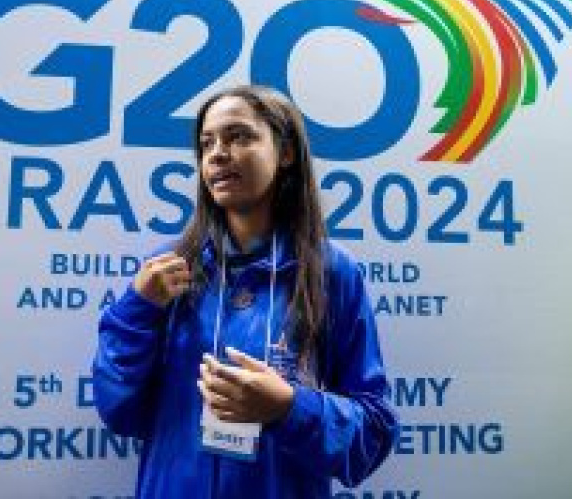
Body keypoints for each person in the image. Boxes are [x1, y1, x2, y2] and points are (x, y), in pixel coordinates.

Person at [93, 85, 398, 498]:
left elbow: (374, 434)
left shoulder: (332, 271)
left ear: (286, 153)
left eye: (239, 137)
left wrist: (290, 408)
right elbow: (118, 411)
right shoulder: (167, 269)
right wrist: (136, 310)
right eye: (207, 143)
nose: (217, 153)